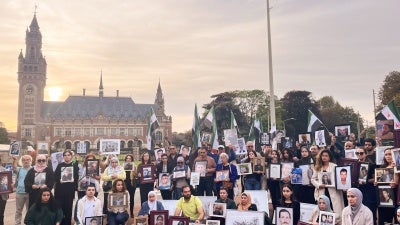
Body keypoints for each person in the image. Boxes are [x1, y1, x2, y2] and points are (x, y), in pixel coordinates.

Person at [311, 150, 344, 224]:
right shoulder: (318, 167)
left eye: (326, 156)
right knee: (323, 208)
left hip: (333, 191)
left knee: (335, 209)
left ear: (329, 157)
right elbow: (313, 179)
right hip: (322, 191)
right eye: (323, 156)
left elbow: (339, 178)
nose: (324, 157)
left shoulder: (334, 166)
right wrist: (319, 185)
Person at [54, 150, 79, 225]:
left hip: (69, 190)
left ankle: (67, 223)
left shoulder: (74, 165)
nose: (67, 156)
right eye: (65, 155)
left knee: (68, 209)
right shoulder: (60, 165)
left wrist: (74, 180)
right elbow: (55, 176)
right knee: (59, 208)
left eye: (68, 155)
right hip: (60, 190)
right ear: (63, 156)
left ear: (71, 156)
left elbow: (76, 177)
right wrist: (59, 180)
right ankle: (59, 222)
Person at [13, 154, 33, 225]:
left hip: (30, 192)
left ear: (31, 161)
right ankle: (17, 223)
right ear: (21, 161)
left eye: (28, 160)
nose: (26, 161)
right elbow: (14, 168)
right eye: (24, 160)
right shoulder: (19, 169)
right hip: (20, 192)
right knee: (18, 210)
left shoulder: (33, 169)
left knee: (29, 210)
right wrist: (14, 160)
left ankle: (28, 222)